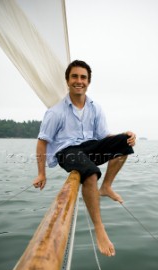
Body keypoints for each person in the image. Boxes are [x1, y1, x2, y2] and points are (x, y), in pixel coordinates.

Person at [33, 60, 136, 257]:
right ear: (67, 80)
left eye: (83, 77)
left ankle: (106, 187)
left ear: (88, 81)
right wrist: (41, 174)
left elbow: (104, 136)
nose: (79, 81)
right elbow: (42, 142)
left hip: (89, 146)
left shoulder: (95, 108)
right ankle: (99, 229)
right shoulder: (55, 112)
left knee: (125, 143)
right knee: (90, 174)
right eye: (75, 77)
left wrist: (125, 136)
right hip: (67, 151)